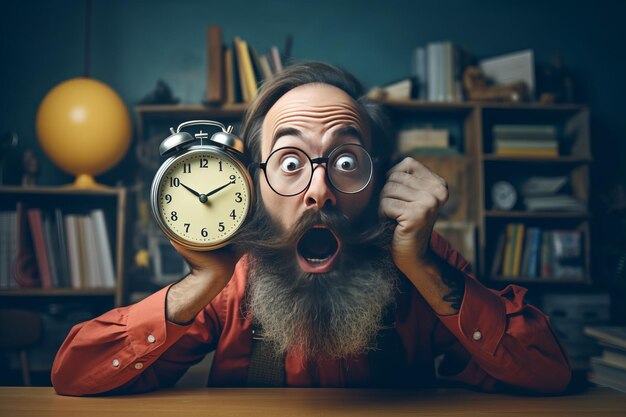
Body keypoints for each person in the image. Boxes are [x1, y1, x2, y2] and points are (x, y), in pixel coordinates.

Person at [51, 62, 571, 396]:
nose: (319, 192)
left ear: (380, 181)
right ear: (252, 185)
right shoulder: (231, 278)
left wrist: (424, 269)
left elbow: (546, 370)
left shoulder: (422, 259)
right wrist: (201, 281)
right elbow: (75, 375)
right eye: (290, 161)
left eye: (346, 161)